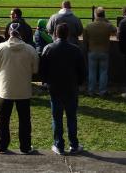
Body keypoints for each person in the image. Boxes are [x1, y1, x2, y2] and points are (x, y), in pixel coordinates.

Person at [0, 22, 39, 155]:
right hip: (23, 90)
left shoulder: (0, 48)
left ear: (8, 33)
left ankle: (2, 145)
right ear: (21, 33)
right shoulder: (30, 49)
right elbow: (35, 69)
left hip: (5, 90)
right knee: (24, 119)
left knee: (3, 119)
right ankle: (25, 146)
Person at [40, 23, 86, 156]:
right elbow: (82, 71)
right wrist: (78, 83)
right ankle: (74, 144)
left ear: (55, 33)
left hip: (55, 88)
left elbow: (43, 70)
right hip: (71, 87)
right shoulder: (75, 49)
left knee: (57, 117)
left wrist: (47, 82)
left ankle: (59, 144)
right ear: (67, 34)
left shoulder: (48, 48)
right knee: (71, 117)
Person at [83, 7, 116, 96]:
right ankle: (102, 91)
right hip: (104, 51)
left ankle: (91, 91)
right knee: (103, 72)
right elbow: (115, 30)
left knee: (92, 72)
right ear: (104, 15)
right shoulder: (108, 26)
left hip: (92, 51)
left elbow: (85, 40)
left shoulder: (89, 26)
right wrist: (107, 21)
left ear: (95, 15)